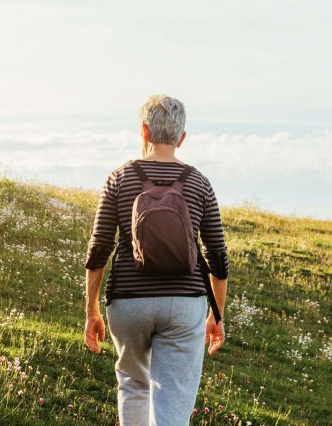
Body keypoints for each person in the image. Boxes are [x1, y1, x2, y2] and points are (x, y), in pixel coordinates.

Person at [83, 95, 229, 426]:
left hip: (128, 302)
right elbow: (217, 256)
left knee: (134, 386)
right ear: (181, 137)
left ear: (144, 131)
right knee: (172, 402)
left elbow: (99, 248)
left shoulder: (119, 178)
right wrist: (216, 314)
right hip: (184, 303)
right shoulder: (200, 183)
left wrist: (91, 309)